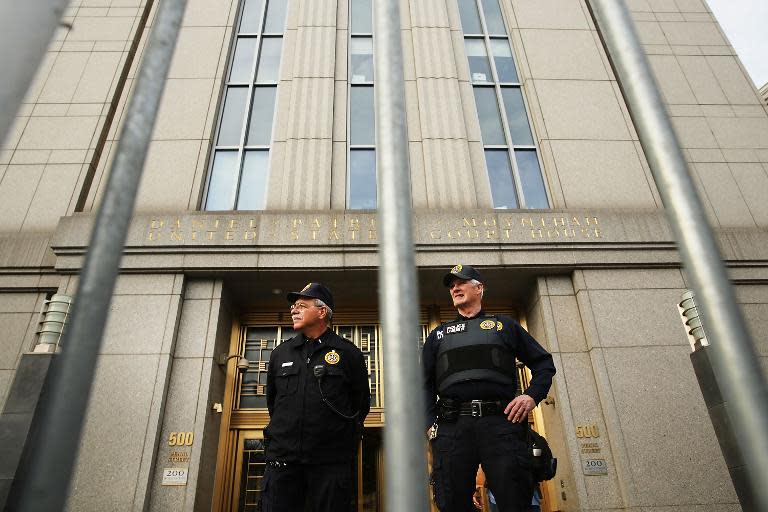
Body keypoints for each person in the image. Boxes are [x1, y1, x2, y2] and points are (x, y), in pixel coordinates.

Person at [423, 265, 556, 512]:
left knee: (514, 499)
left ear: (479, 288)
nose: (455, 288)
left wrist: (531, 396)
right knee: (451, 501)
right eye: (451, 285)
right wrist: (431, 424)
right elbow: (423, 384)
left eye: (461, 282)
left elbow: (543, 364)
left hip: (501, 424)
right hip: (453, 428)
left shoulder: (504, 327)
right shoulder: (438, 336)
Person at [260, 282, 370, 512]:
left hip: (330, 463)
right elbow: (274, 404)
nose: (293, 310)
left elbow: (359, 405)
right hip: (283, 461)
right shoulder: (281, 353)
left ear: (322, 311)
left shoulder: (347, 353)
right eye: (293, 306)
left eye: (301, 305)